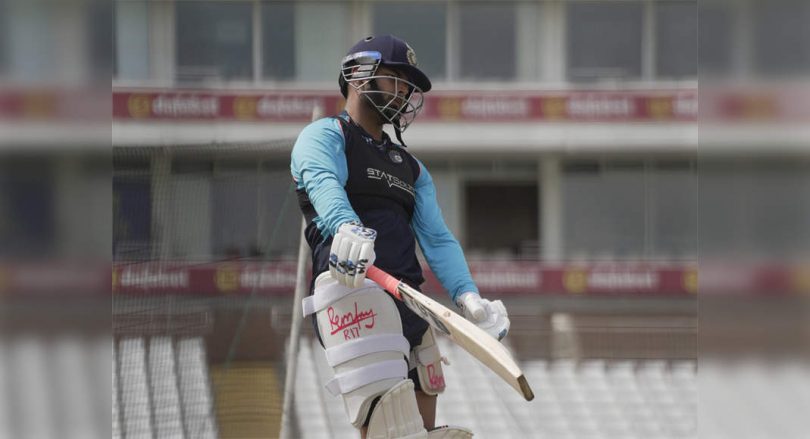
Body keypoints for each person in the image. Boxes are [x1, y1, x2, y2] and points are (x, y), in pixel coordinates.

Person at [290, 35, 510, 439]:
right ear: (359, 75)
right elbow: (323, 185)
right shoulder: (324, 136)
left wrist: (468, 296)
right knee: (389, 429)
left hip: (411, 300)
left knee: (423, 428)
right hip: (353, 289)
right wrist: (346, 226)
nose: (405, 92)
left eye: (409, 85)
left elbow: (438, 239)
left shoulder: (411, 167)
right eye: (396, 78)